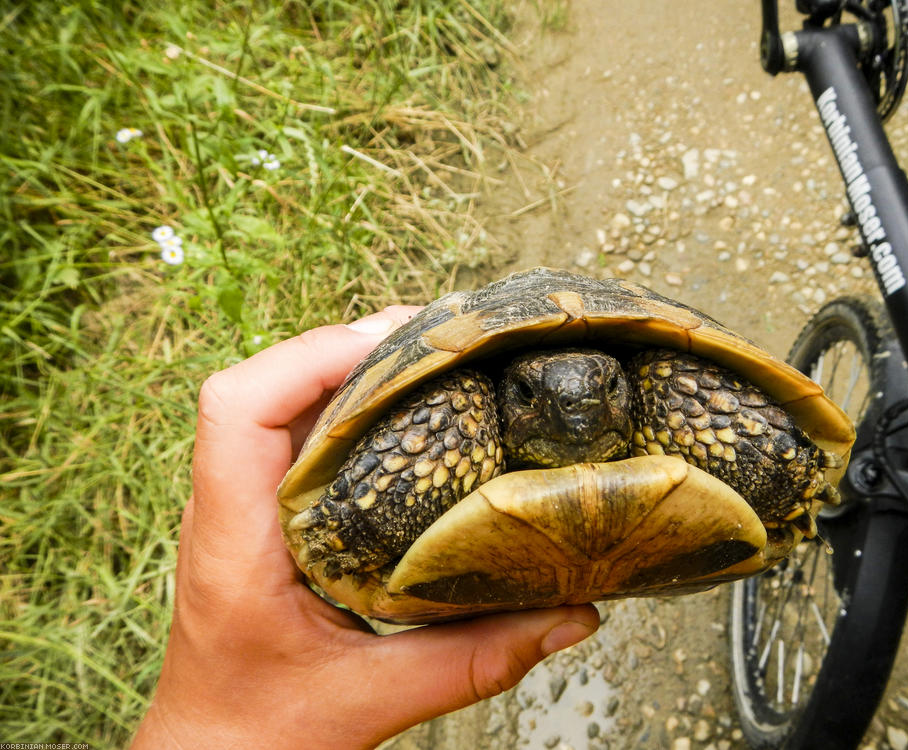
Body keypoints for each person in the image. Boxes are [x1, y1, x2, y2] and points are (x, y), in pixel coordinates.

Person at [130, 307, 600, 750]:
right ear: (508, 396)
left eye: (610, 389)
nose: (576, 414)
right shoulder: (469, 409)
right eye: (527, 396)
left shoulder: (647, 387)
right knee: (455, 404)